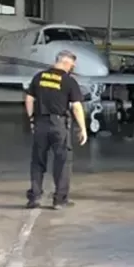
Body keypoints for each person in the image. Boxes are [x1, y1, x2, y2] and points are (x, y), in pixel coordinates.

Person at [24, 50, 88, 210]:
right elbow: (76, 107)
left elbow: (29, 99)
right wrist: (83, 128)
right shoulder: (68, 81)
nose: (72, 69)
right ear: (67, 63)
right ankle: (60, 200)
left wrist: (32, 119)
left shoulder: (39, 77)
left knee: (38, 161)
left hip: (40, 123)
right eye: (72, 66)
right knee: (62, 162)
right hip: (58, 125)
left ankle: (34, 198)